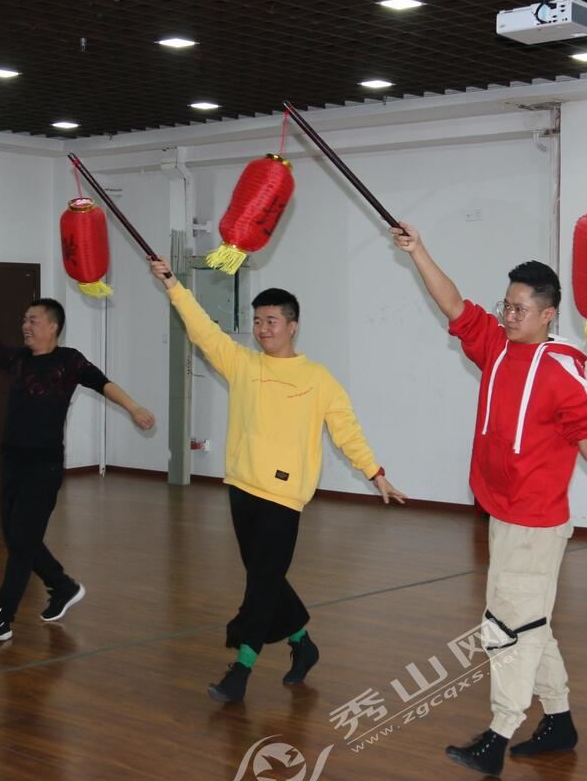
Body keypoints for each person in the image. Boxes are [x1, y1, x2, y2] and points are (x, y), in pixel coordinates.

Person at [391, 222, 587, 778]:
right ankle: (560, 721)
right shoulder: (496, 346)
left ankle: (498, 734)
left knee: (506, 627)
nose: (507, 315)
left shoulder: (561, 372)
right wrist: (419, 250)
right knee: (530, 622)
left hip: (536, 523)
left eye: (519, 309)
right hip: (501, 512)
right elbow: (453, 302)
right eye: (506, 305)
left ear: (547, 314)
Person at [146, 256, 406, 703]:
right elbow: (204, 330)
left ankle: (242, 669)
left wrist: (374, 472)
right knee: (265, 576)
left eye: (271, 321)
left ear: (292, 326)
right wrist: (173, 284)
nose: (262, 329)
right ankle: (302, 644)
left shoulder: (317, 378)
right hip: (241, 488)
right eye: (257, 321)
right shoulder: (242, 364)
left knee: (262, 583)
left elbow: (346, 430)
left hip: (284, 497)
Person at [0, 285, 155, 641]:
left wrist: (134, 407)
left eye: (33, 320)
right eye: (24, 320)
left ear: (53, 326)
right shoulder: (19, 359)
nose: (25, 326)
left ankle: (2, 618)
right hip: (12, 462)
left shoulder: (69, 361)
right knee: (18, 537)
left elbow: (103, 384)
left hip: (43, 467)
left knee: (22, 542)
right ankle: (62, 586)